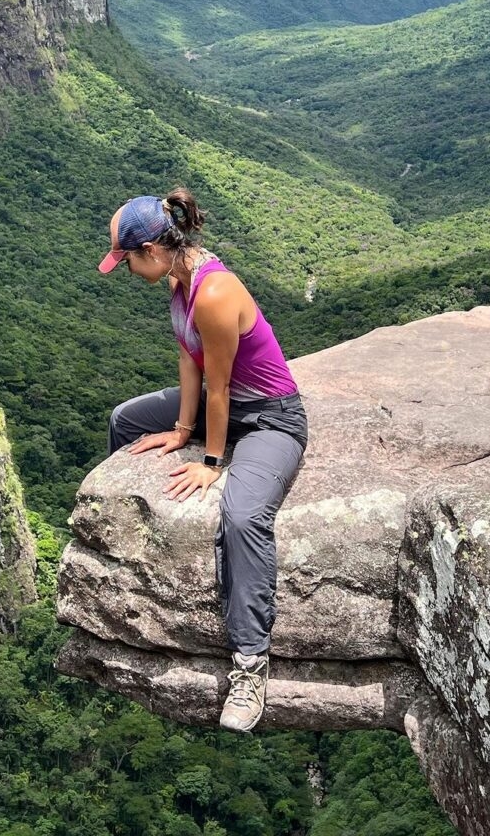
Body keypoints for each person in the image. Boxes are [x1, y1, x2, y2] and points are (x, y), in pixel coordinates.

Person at [98, 188, 308, 732]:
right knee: (125, 421)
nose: (127, 271)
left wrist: (211, 463)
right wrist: (179, 431)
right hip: (224, 407)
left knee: (242, 516)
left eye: (127, 261)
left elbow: (220, 388)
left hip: (268, 417)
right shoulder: (179, 278)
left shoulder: (214, 292)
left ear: (153, 249)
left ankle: (249, 664)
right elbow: (188, 360)